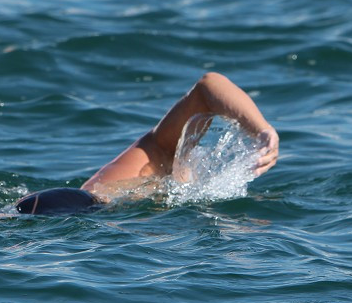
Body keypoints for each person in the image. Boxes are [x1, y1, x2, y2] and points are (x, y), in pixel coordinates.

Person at [15, 72, 278, 215]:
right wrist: (263, 129)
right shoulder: (157, 154)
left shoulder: (157, 157)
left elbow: (210, 88)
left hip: (71, 207)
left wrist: (262, 130)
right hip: (80, 205)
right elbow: (207, 86)